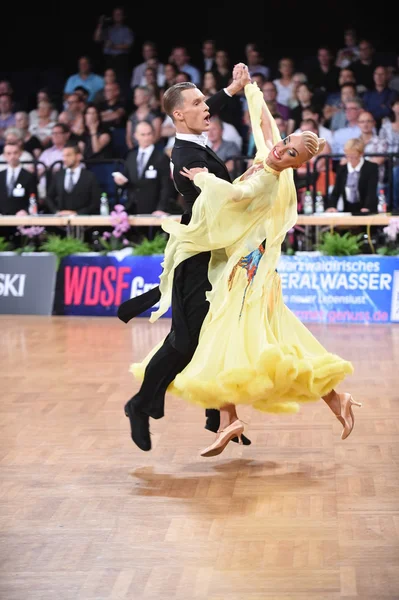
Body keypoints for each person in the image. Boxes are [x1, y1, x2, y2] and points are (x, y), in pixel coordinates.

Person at [131, 80, 359, 457]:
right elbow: (265, 125)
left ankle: (223, 418)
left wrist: (203, 178)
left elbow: (234, 195)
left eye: (291, 154)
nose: (283, 149)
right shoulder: (261, 158)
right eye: (286, 143)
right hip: (228, 260)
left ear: (295, 166)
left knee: (232, 337)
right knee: (235, 337)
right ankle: (229, 418)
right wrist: (245, 90)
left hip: (241, 266)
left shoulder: (267, 175)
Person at [119, 64, 252, 452]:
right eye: (197, 103)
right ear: (179, 114)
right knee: (185, 340)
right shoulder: (184, 160)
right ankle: (140, 404)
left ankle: (218, 416)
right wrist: (251, 181)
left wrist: (232, 89)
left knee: (213, 334)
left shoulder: (195, 140)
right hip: (196, 259)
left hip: (213, 255)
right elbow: (222, 202)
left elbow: (205, 105)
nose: (206, 108)